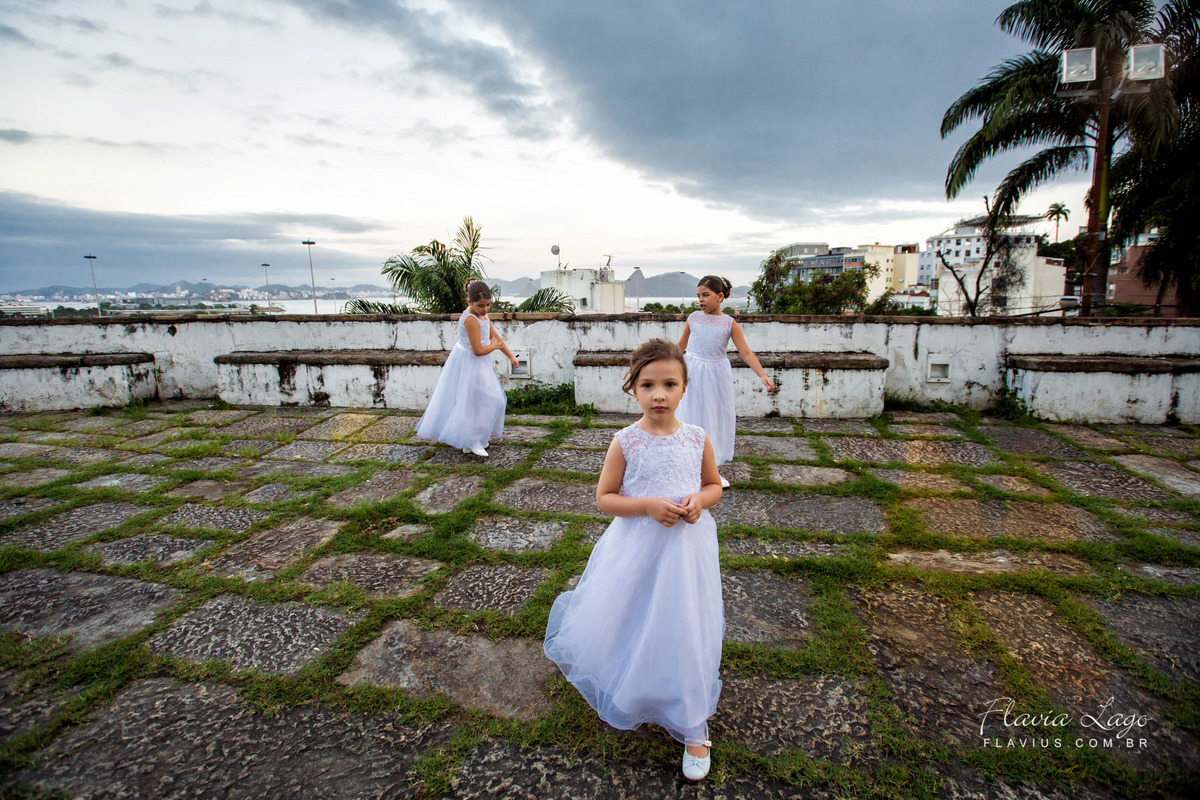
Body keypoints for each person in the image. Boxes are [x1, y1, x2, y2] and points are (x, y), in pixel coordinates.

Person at [543, 339, 724, 781]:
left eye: (669, 384)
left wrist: (700, 500)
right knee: (634, 614)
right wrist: (645, 505)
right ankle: (632, 676)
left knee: (684, 621)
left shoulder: (698, 437)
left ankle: (692, 722)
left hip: (686, 551)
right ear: (633, 389)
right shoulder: (625, 442)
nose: (658, 394)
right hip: (638, 548)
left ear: (684, 388)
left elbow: (715, 485)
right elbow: (604, 499)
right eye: (648, 385)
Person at [676, 275, 777, 487]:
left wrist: (763, 375)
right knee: (690, 417)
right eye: (698, 296)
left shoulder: (729, 323)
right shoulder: (693, 318)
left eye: (706, 295)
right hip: (692, 372)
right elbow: (680, 346)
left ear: (720, 296)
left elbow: (746, 353)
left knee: (714, 419)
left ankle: (711, 471)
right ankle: (687, 468)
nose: (701, 300)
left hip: (715, 375)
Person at [415, 278, 519, 457]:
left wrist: (510, 356)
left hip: (480, 364)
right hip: (469, 362)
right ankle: (472, 440)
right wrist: (493, 346)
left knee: (488, 400)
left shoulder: (482, 316)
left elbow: (495, 338)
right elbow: (478, 350)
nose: (485, 309)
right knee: (474, 401)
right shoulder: (470, 319)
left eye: (488, 305)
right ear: (470, 302)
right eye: (481, 306)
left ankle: (473, 439)